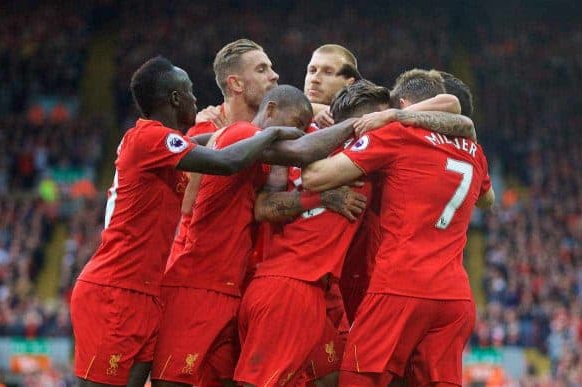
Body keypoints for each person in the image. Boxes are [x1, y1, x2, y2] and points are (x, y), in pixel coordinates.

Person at [70, 57, 303, 387]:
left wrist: (228, 130)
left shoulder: (162, 145)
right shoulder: (149, 138)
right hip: (115, 289)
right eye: (190, 91)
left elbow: (216, 144)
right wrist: (272, 131)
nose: (197, 99)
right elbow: (227, 160)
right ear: (175, 99)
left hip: (147, 293)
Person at [151, 85, 366, 387]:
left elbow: (266, 200)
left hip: (233, 287)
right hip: (198, 282)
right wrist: (367, 122)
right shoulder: (241, 133)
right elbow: (303, 151)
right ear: (271, 110)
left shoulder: (258, 155)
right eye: (296, 125)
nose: (300, 132)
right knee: (172, 381)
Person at [301, 69, 495, 387]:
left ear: (403, 104)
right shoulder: (475, 152)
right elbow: (488, 200)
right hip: (455, 297)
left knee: (355, 378)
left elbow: (315, 177)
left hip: (401, 286)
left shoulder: (399, 134)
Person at [176, 39, 280, 248]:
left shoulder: (277, 126)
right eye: (261, 70)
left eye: (271, 68)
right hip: (203, 261)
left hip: (248, 265)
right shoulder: (205, 131)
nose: (274, 75)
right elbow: (185, 207)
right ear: (236, 84)